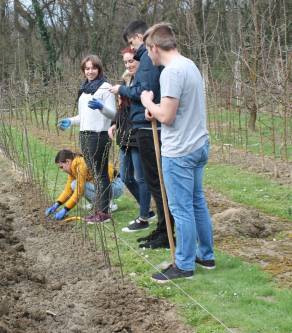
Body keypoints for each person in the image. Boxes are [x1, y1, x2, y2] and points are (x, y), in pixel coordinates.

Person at [140, 23, 215, 282]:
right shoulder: (190, 65)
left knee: (181, 209)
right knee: (197, 202)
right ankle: (206, 255)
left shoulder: (171, 72)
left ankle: (183, 265)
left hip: (180, 151)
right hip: (198, 144)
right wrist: (157, 110)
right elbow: (174, 109)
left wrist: (148, 102)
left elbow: (168, 117)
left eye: (147, 50)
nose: (147, 56)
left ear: (154, 47)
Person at [110, 20, 174, 248]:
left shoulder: (147, 59)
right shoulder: (147, 58)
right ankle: (162, 229)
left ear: (139, 36)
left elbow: (144, 91)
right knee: (152, 180)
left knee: (154, 181)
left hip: (149, 128)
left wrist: (121, 89)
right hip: (144, 124)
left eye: (132, 42)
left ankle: (167, 234)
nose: (134, 48)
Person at [57, 55, 117, 224]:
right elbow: (83, 116)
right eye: (87, 68)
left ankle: (103, 212)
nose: (90, 71)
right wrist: (71, 120)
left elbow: (113, 114)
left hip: (99, 136)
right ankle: (99, 209)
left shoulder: (106, 88)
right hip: (85, 135)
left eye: (93, 68)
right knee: (97, 174)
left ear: (99, 69)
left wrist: (102, 107)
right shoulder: (84, 89)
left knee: (100, 174)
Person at [108, 48, 155, 231]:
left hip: (138, 135)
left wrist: (123, 90)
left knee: (141, 177)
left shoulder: (141, 81)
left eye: (131, 61)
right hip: (124, 136)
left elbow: (139, 99)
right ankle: (148, 209)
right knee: (127, 177)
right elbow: (123, 110)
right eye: (126, 62)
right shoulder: (126, 82)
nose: (128, 65)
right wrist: (114, 123)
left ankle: (144, 216)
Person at [45, 149, 124, 222]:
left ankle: (107, 204)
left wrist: (66, 209)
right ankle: (100, 203)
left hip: (115, 185)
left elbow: (79, 191)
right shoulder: (73, 168)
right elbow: (68, 189)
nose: (62, 170)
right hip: (106, 187)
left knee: (77, 185)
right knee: (73, 185)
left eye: (61, 167)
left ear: (68, 161)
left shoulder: (80, 165)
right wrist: (57, 204)